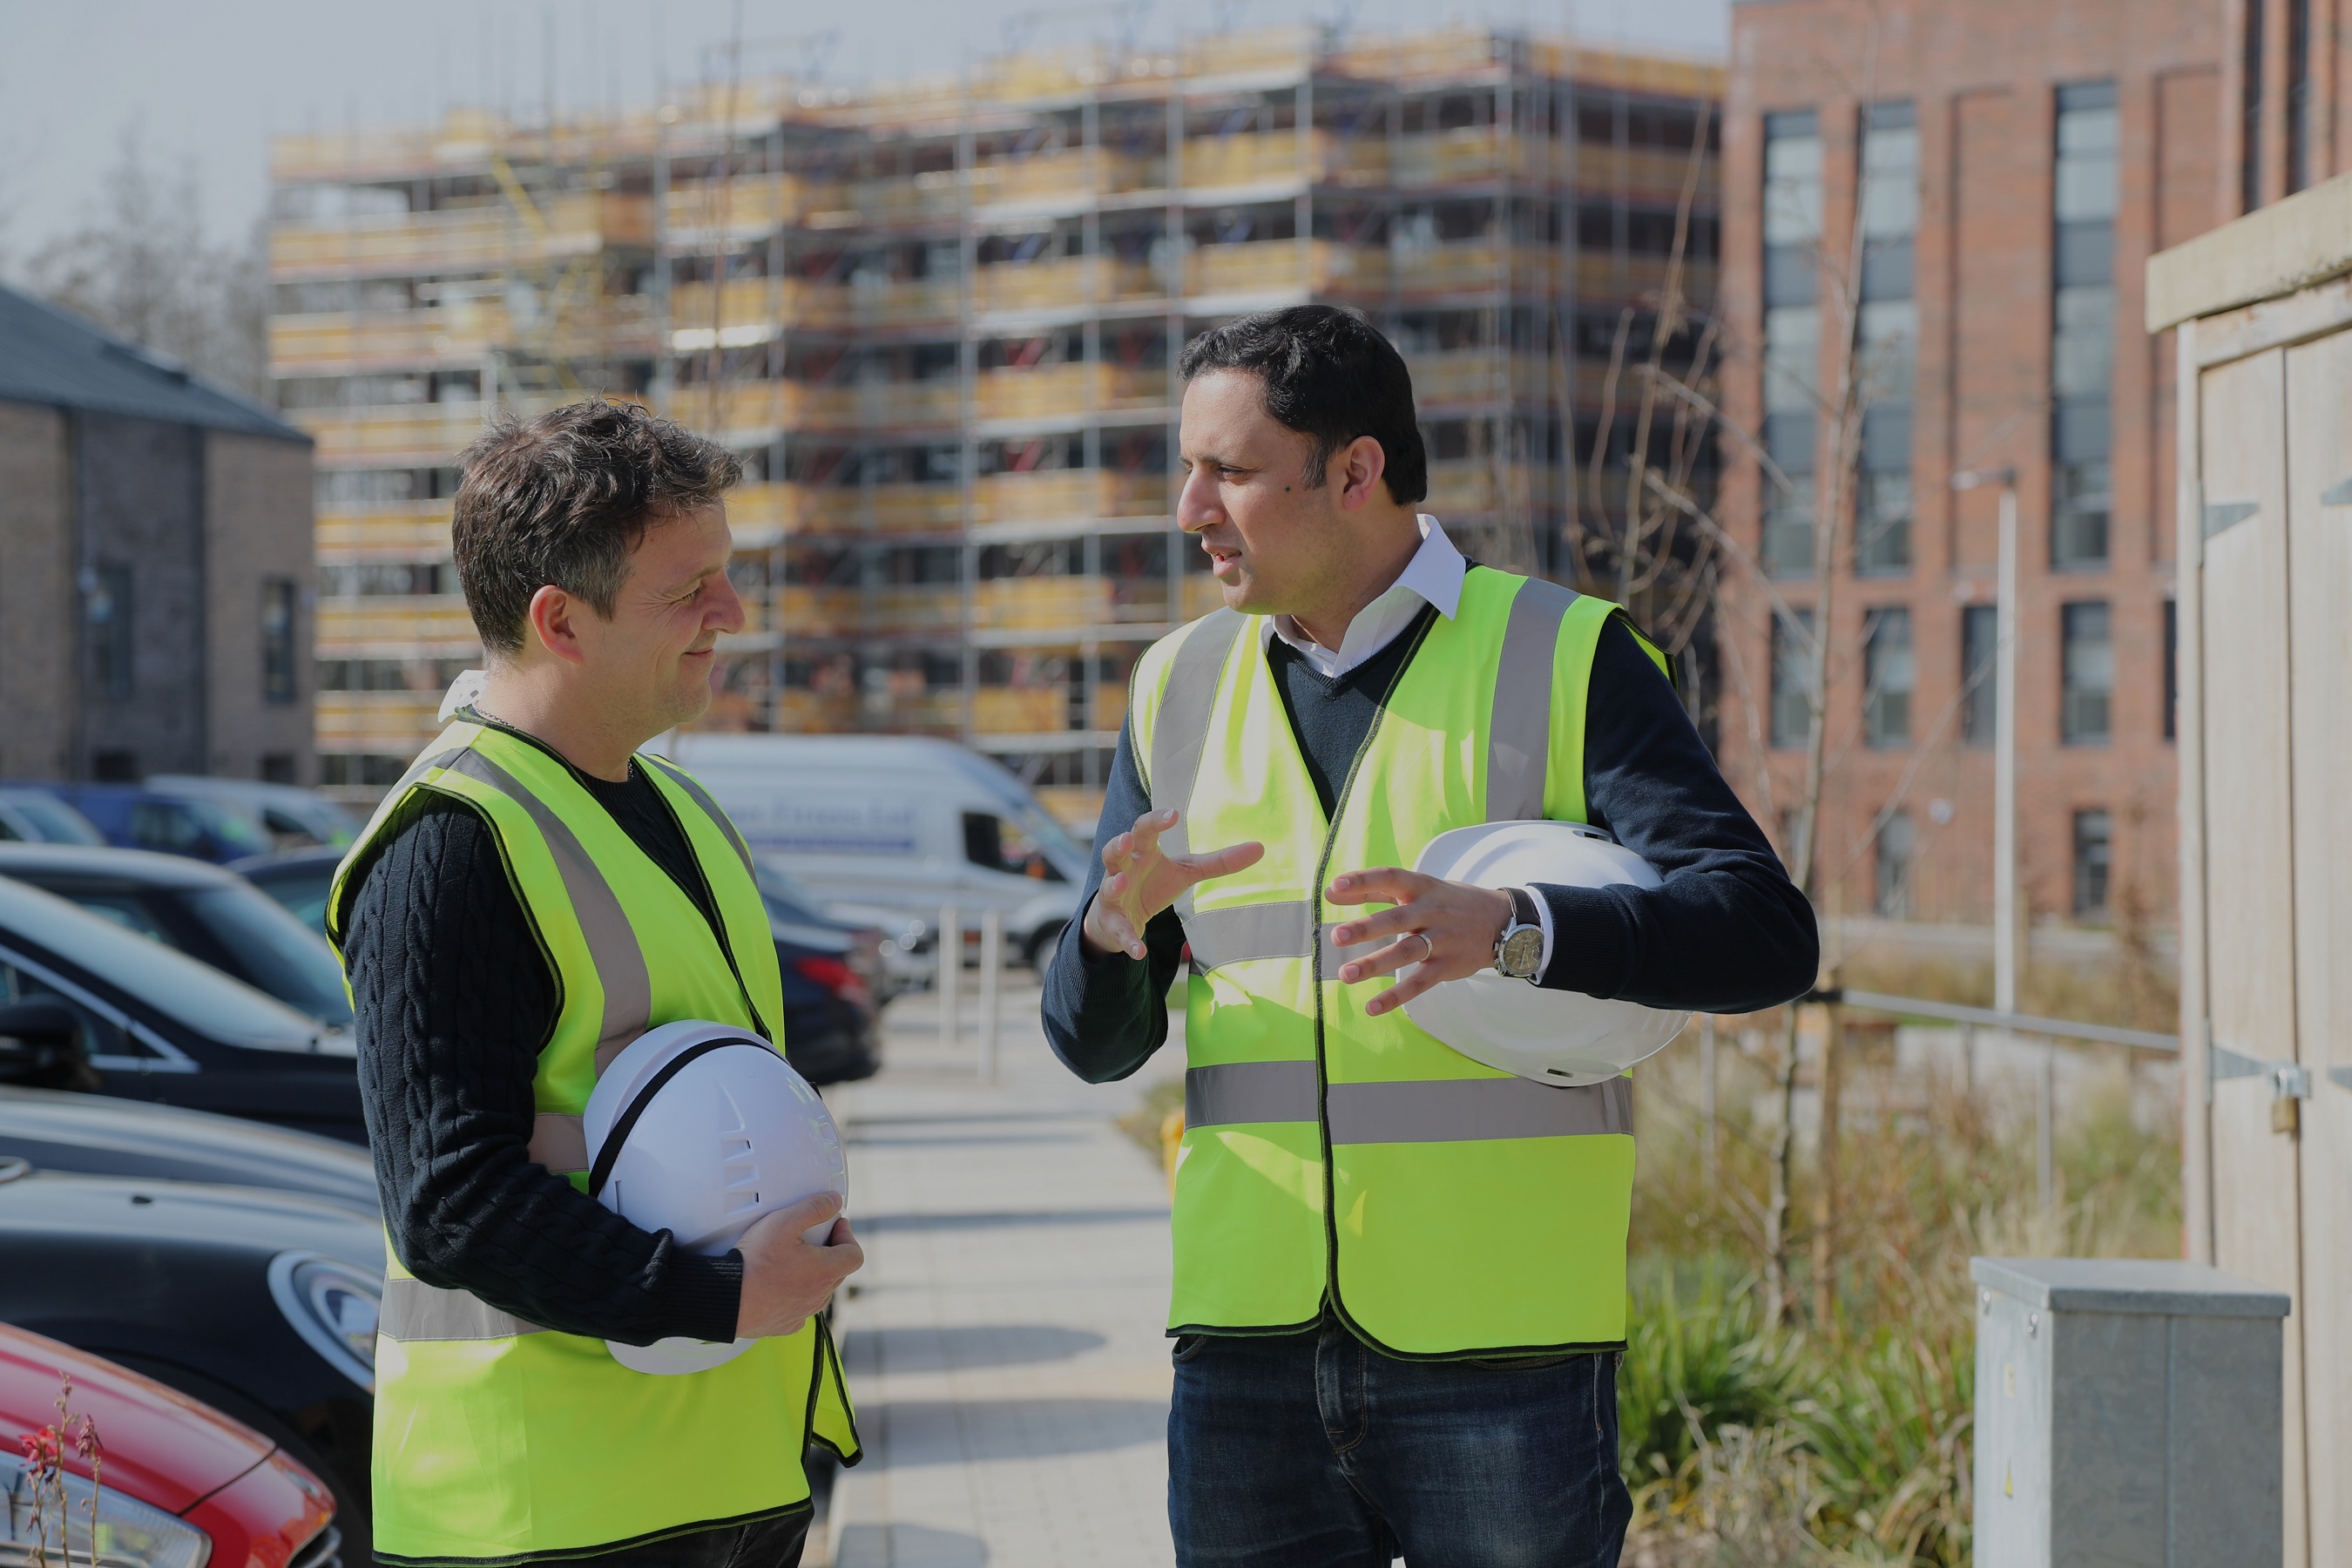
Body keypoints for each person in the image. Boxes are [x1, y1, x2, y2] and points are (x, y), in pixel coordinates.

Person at [1042, 306, 1819, 1567]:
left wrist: (1519, 932)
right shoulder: (1175, 687)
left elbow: (1765, 934)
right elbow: (1089, 1049)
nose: (1191, 508)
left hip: (1501, 1354)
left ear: (1356, 472)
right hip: (1244, 1354)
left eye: (1230, 472)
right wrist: (1109, 938)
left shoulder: (1568, 655)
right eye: (1188, 468)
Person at [328, 401, 862, 1568]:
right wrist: (719, 1297)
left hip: (717, 1479)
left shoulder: (679, 812)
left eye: (725, 576)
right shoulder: (451, 845)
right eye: (692, 591)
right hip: (544, 1511)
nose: (732, 616)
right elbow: (450, 1201)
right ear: (560, 621)